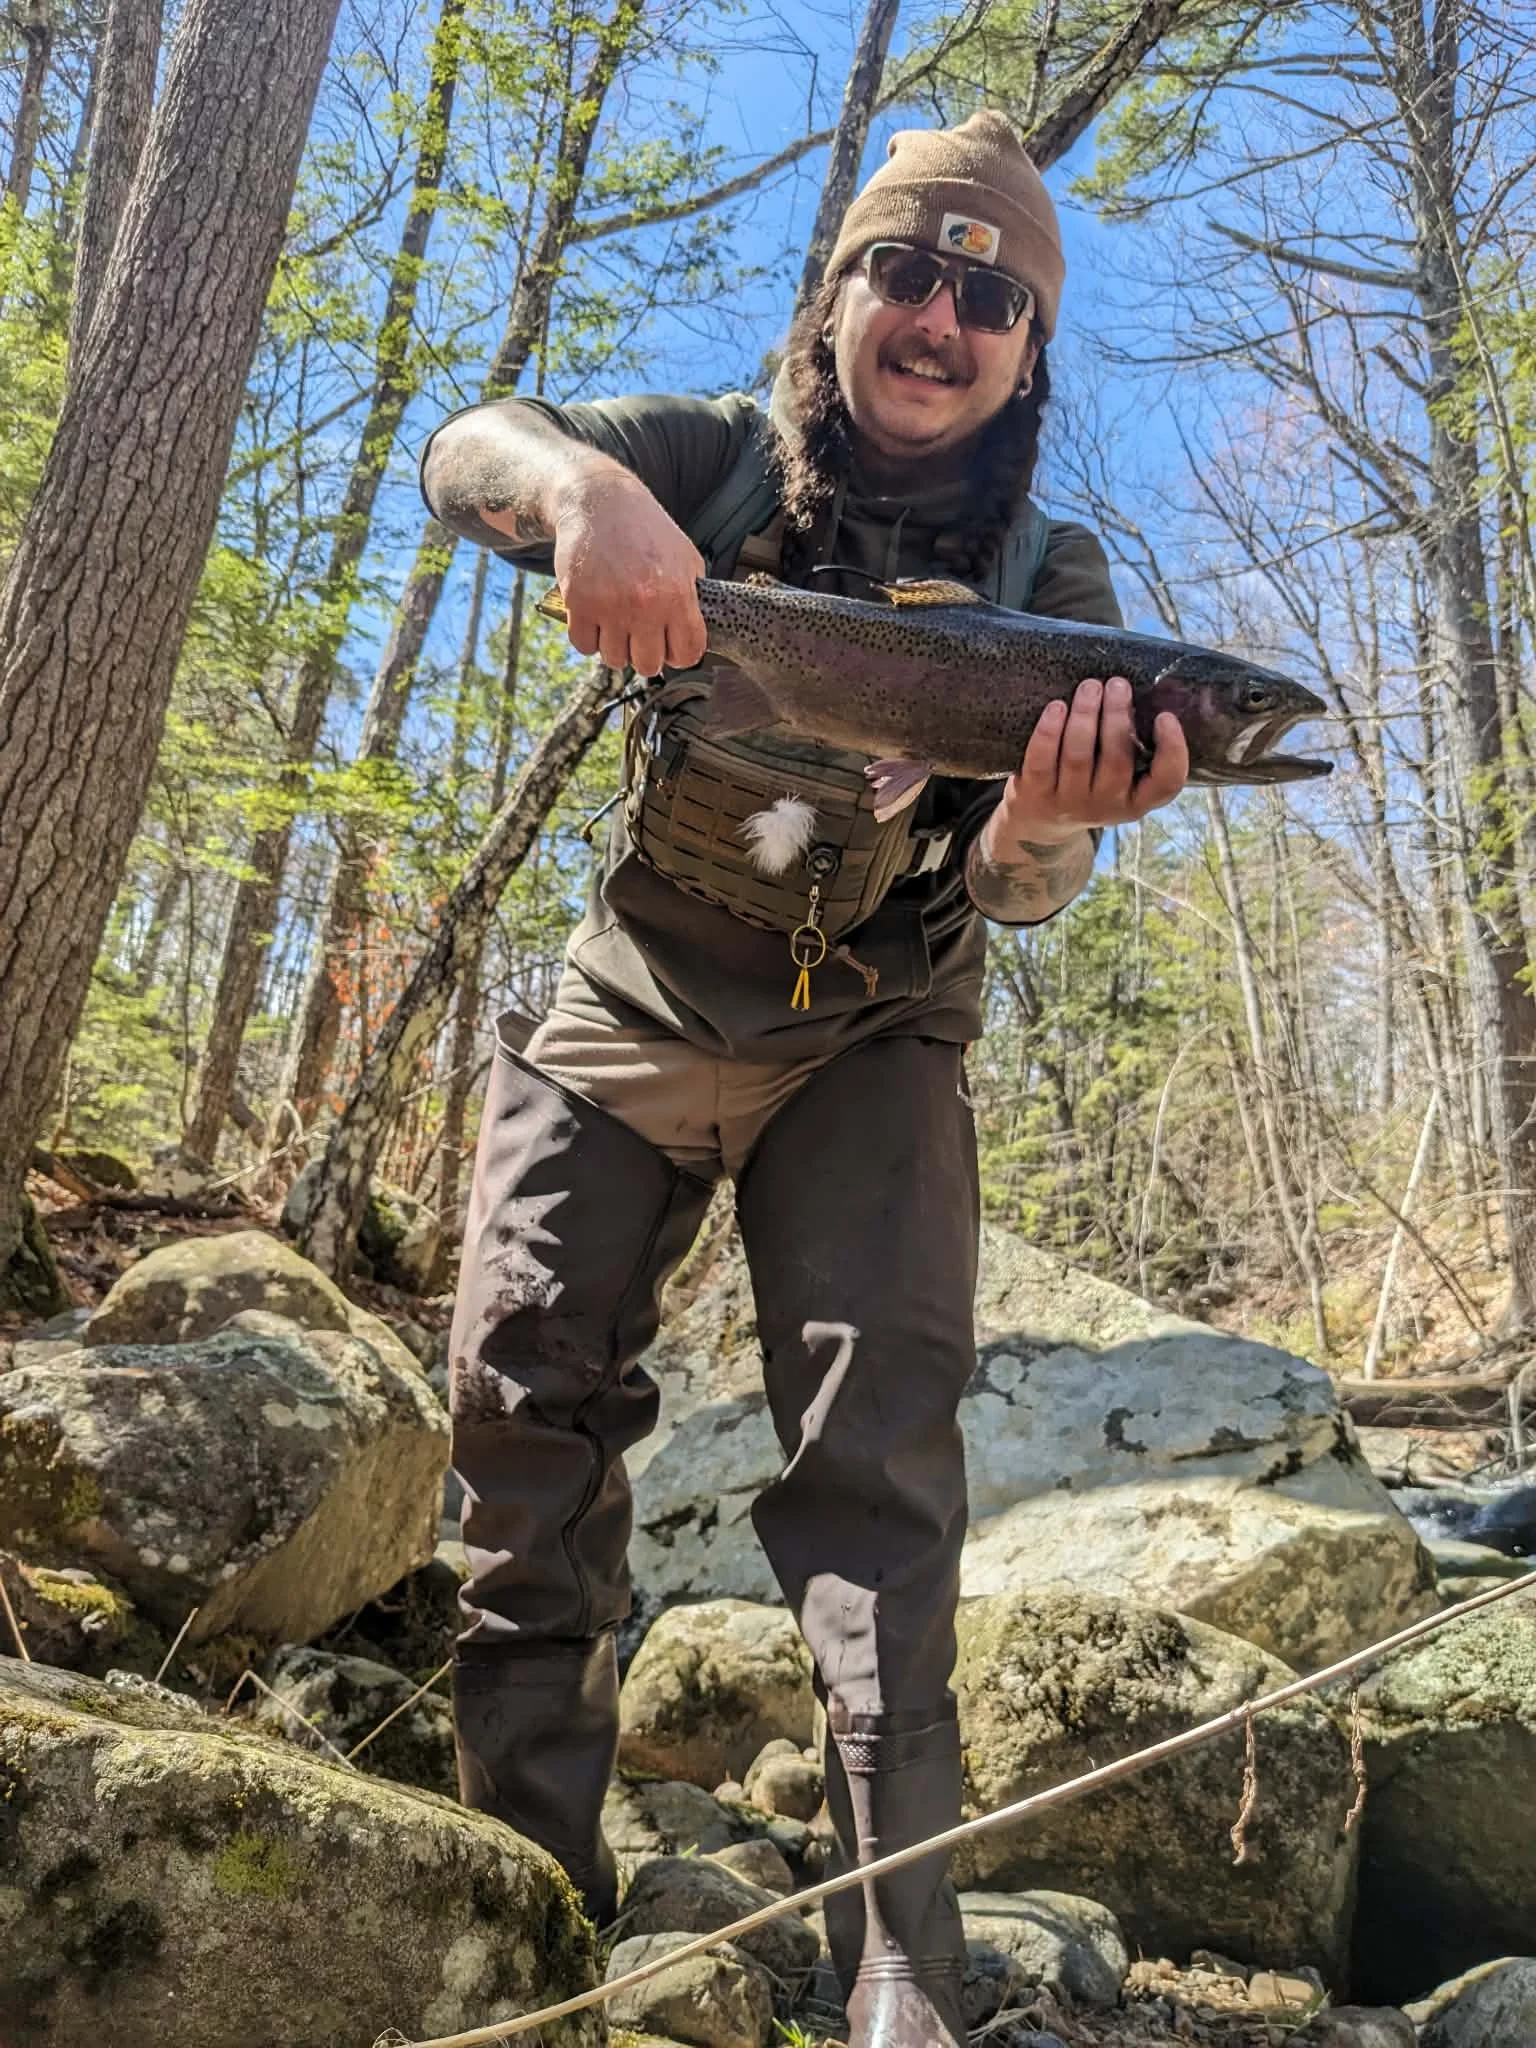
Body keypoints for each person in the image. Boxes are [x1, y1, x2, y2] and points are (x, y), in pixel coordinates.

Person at [420, 109, 1188, 2048]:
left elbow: (1017, 888)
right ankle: (519, 1887)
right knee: (520, 1393)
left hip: (873, 1014)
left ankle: (901, 1953)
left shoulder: (1055, 578)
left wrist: (1044, 823)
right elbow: (464, 447)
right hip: (640, 988)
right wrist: (582, 495)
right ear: (840, 293)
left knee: (879, 1458)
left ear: (1028, 348)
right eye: (902, 272)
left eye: (987, 295)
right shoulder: (712, 459)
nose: (938, 316)